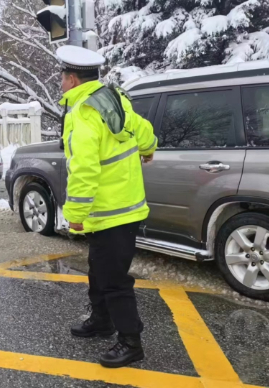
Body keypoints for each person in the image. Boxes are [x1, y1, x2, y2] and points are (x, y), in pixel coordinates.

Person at [57, 45, 157, 369]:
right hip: (123, 209)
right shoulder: (114, 99)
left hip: (111, 212)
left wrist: (73, 216)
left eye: (62, 76)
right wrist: (149, 147)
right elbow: (141, 128)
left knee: (113, 279)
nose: (60, 81)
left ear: (72, 79)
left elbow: (84, 171)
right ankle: (102, 321)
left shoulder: (84, 115)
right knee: (98, 270)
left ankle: (131, 342)